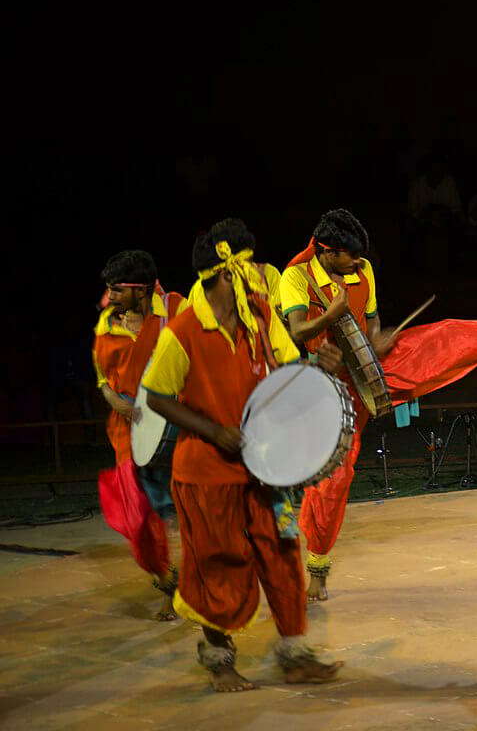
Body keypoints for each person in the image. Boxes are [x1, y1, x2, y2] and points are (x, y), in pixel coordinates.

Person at [141, 219, 341, 692]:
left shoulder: (260, 314)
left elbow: (284, 371)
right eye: (251, 266)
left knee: (283, 553)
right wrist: (213, 429)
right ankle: (218, 659)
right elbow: (155, 396)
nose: (261, 273)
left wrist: (315, 365)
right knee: (217, 563)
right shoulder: (184, 332)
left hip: (265, 470)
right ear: (227, 273)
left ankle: (294, 653)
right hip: (206, 475)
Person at [278, 209, 394, 602]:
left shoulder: (363, 270)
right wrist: (331, 315)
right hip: (316, 385)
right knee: (335, 477)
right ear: (327, 252)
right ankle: (318, 567)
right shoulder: (295, 276)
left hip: (360, 376)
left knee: (440, 342)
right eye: (350, 258)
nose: (358, 264)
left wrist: (375, 341)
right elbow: (296, 330)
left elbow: (373, 318)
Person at [93, 250, 185, 620]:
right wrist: (110, 396)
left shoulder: (175, 309)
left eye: (117, 290)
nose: (110, 296)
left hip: (177, 419)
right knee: (138, 516)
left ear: (141, 290)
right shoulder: (106, 322)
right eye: (109, 289)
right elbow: (102, 374)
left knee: (196, 505)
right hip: (127, 427)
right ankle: (166, 581)